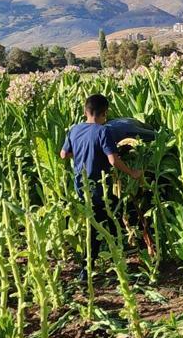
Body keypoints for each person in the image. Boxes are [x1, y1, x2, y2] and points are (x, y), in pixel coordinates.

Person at [60, 93, 142, 281]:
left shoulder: (74, 129)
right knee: (104, 222)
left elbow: (64, 154)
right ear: (104, 113)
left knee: (96, 222)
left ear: (85, 111)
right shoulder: (103, 131)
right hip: (99, 186)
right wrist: (132, 173)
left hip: (81, 185)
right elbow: (113, 160)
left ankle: (108, 260)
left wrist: (82, 156)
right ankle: (89, 268)